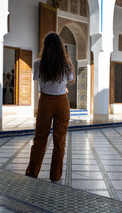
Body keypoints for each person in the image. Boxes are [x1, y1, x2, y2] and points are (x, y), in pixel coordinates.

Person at [25, 32, 75, 183]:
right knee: (60, 141)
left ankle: (32, 173)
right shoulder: (65, 65)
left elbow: (37, 79)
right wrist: (68, 60)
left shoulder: (38, 63)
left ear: (45, 46)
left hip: (45, 102)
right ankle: (55, 176)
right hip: (62, 103)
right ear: (61, 47)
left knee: (40, 138)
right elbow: (71, 81)